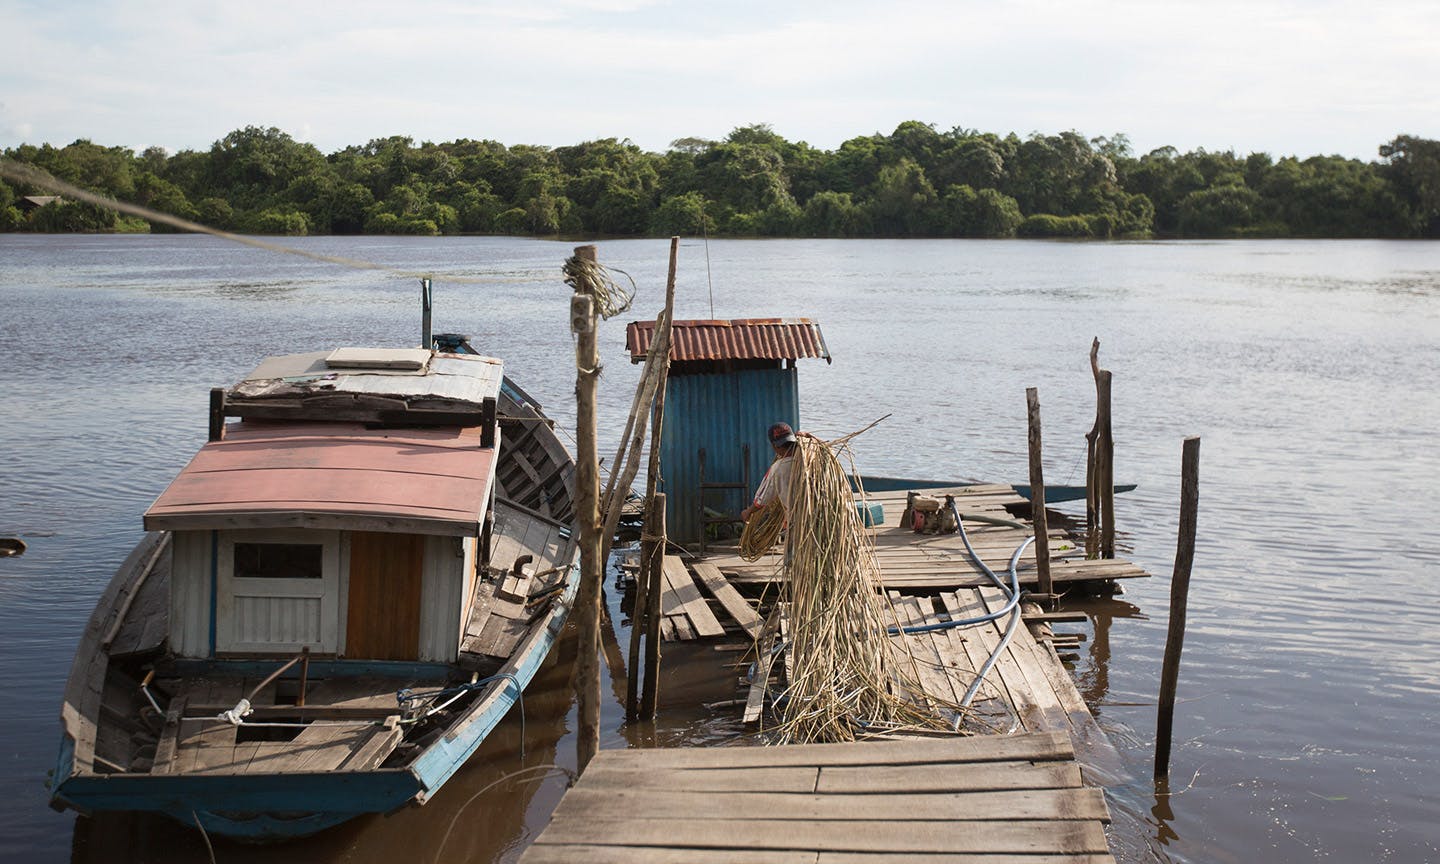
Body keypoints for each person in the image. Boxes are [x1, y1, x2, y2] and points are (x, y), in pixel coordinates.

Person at [740, 422, 810, 523]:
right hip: (818, 517)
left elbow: (762, 498)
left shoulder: (778, 468)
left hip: (798, 522)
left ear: (774, 446)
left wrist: (748, 512)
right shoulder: (809, 458)